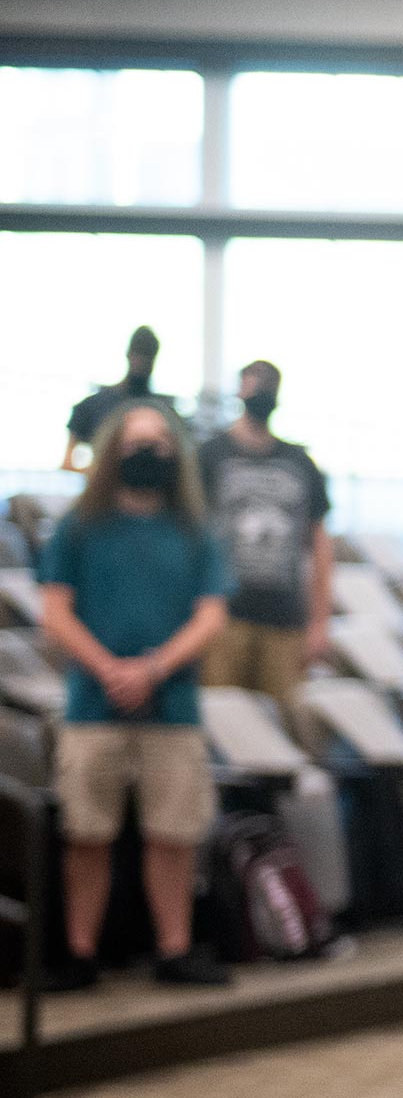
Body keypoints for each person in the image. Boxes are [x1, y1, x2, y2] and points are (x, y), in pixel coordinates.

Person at [37, 401, 232, 990]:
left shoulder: (197, 531)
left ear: (176, 452)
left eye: (158, 442)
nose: (147, 452)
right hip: (92, 706)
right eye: (134, 440)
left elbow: (211, 617)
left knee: (172, 835)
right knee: (86, 835)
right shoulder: (79, 526)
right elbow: (54, 612)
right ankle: (79, 953)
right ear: (111, 449)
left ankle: (173, 950)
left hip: (172, 707)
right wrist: (109, 670)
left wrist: (150, 670)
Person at [198, 361, 333, 722]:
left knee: (283, 729)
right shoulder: (209, 456)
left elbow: (320, 545)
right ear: (240, 390)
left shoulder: (299, 463)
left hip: (285, 620)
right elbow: (189, 535)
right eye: (255, 386)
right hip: (225, 619)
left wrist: (319, 622)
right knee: (225, 726)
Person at [62, 325, 167, 472]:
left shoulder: (163, 413)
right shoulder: (93, 406)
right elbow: (67, 462)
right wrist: (101, 477)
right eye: (139, 353)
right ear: (129, 354)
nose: (142, 362)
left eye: (147, 355)